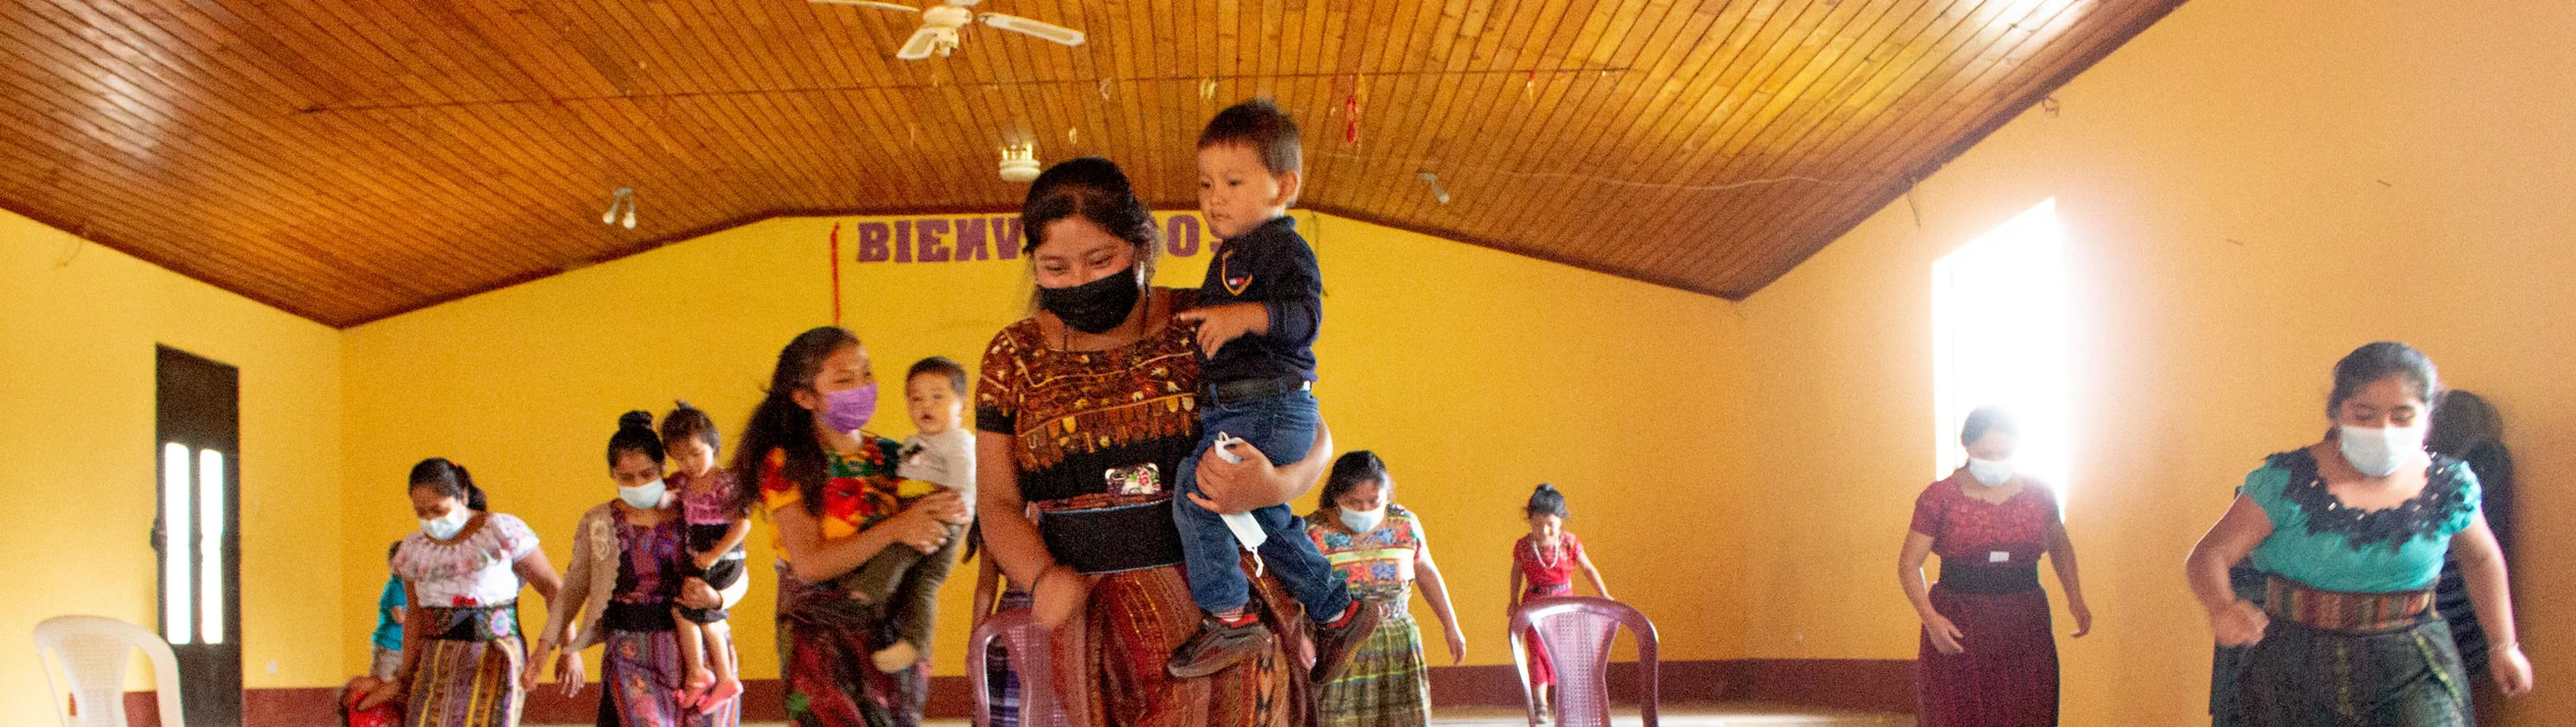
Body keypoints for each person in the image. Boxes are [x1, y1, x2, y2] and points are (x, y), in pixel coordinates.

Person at [974, 156, 1340, 726]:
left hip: (1218, 619)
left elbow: (1307, 425)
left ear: (1141, 245)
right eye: (1055, 267)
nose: (1079, 281)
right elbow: (995, 500)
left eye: (1100, 259)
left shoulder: (1202, 319)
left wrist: (1276, 483)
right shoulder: (1012, 355)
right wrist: (1041, 577)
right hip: (1076, 617)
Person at [2186, 341, 2534, 724]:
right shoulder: (2284, 482)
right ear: (2337, 413)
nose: (2383, 429)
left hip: (2415, 662)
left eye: (2402, 417)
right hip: (2294, 668)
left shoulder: (2450, 484)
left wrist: (2504, 644)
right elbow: (2209, 555)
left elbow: (2481, 557)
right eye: (2364, 415)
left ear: (2428, 417)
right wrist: (2221, 607)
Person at [1164, 98, 1374, 681]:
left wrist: (1244, 317)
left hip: (1268, 404)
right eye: (1205, 183)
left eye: (1233, 181)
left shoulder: (1282, 248)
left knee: (1197, 488)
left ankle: (1229, 618)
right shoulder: (1234, 253)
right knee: (1263, 517)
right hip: (1252, 405)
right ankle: (1337, 608)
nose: (1214, 196)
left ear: (1284, 185)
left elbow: (1306, 316)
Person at [732, 327, 971, 727]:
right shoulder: (788, 463)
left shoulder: (894, 455)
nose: (862, 386)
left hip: (892, 629)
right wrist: (895, 529)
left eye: (866, 374)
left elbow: (933, 529)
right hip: (823, 637)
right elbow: (808, 563)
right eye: (844, 380)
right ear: (804, 397)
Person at [528, 411, 746, 726]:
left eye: (647, 474)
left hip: (700, 649)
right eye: (626, 478)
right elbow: (573, 588)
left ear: (663, 468)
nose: (638, 484)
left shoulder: (695, 508)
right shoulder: (600, 523)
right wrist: (548, 648)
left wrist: (717, 599)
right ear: (612, 475)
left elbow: (737, 572)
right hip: (633, 651)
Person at [1897, 407, 2091, 726]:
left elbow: (2060, 545)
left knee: (2027, 707)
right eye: (1987, 452)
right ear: (1968, 448)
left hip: (2024, 618)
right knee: (1960, 711)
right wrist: (1931, 619)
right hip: (1959, 616)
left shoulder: (2039, 494)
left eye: (2004, 452)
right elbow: (1908, 564)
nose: (1996, 458)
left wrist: (2076, 598)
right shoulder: (1939, 497)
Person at [356, 458, 563, 727]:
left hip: (492, 661)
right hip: (433, 663)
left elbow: (553, 589)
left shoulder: (500, 532)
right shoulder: (415, 550)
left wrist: (562, 651)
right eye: (421, 512)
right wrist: (404, 677)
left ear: (462, 496)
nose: (430, 519)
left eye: (438, 510)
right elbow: (415, 616)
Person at [1305, 451, 1468, 727]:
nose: (1366, 509)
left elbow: (1426, 571)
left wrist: (1450, 625)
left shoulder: (1404, 524)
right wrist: (1299, 636)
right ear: (1336, 497)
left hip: (1398, 643)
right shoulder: (1313, 532)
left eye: (1374, 501)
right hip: (1341, 643)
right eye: (1355, 502)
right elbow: (1296, 591)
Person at [664, 402, 748, 709]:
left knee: (699, 613)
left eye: (696, 453)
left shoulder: (723, 481)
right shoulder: (684, 482)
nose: (690, 463)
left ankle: (715, 676)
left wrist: (715, 553)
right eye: (680, 457)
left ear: (712, 445)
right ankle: (706, 673)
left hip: (722, 557)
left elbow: (742, 524)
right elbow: (663, 489)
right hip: (698, 554)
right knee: (686, 611)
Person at [1508, 483, 1608, 719]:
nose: (1544, 531)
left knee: (1565, 653)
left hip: (1565, 604)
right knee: (1537, 652)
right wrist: (1512, 600)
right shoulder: (1523, 546)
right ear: (1529, 520)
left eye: (1550, 525)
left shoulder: (1570, 544)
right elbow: (1515, 573)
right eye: (1537, 524)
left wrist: (1604, 594)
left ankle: (1569, 701)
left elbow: (1588, 569)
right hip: (1534, 604)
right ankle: (1540, 704)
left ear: (1561, 521)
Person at [372, 542, 407, 679]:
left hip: (401, 648)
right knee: (380, 682)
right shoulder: (395, 587)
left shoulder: (407, 587)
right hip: (388, 648)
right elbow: (399, 617)